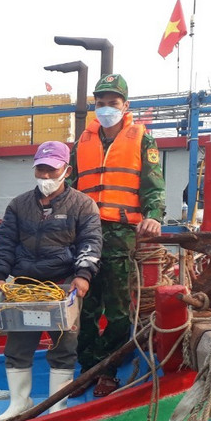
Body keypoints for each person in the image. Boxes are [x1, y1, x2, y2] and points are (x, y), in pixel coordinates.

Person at [0, 141, 102, 421]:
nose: (46, 176)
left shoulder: (83, 204)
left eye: (52, 170)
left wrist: (83, 275)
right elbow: (4, 243)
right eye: (41, 169)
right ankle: (20, 402)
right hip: (24, 286)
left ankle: (57, 408)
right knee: (18, 345)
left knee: (64, 347)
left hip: (63, 286)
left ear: (67, 170)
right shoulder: (18, 205)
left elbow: (91, 242)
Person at [69, 73, 165, 397]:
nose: (106, 107)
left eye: (113, 102)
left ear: (125, 105)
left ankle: (107, 370)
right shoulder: (82, 142)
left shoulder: (142, 140)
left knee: (118, 309)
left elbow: (153, 185)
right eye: (101, 102)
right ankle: (87, 369)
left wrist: (153, 216)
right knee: (85, 306)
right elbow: (70, 187)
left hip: (120, 232)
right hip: (84, 230)